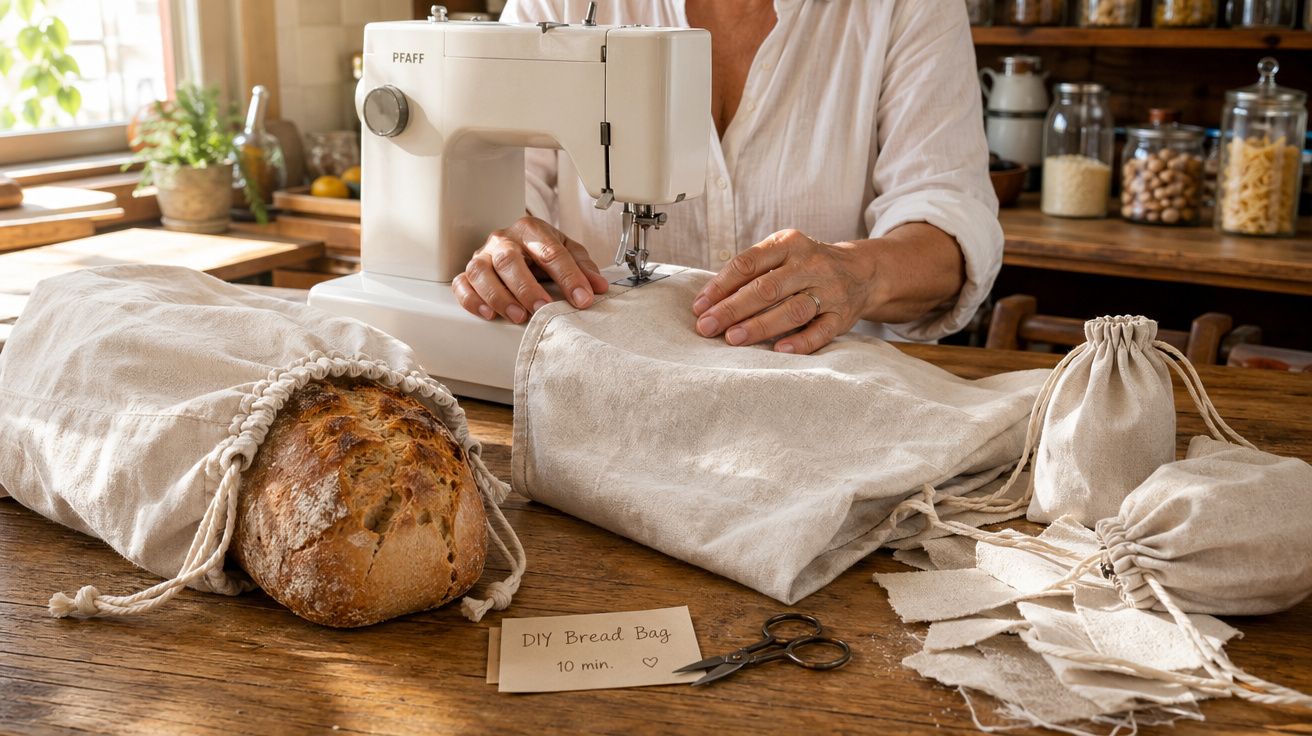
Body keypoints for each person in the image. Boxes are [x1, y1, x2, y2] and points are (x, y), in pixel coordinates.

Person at [453, 0, 1001, 355]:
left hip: (830, 403)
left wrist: (860, 273)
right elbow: (506, 187)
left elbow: (947, 214)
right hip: (598, 387)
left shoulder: (905, 8)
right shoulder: (557, 5)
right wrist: (506, 244)